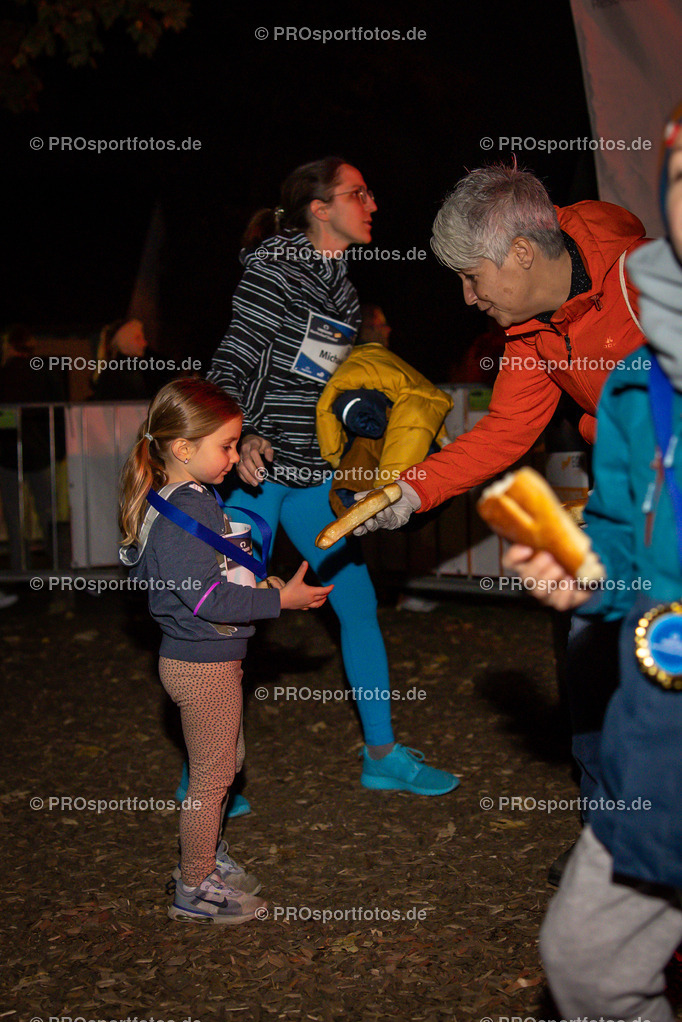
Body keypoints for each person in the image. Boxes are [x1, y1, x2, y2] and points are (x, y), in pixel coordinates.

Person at [354, 164, 648, 838]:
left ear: (521, 253)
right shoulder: (530, 328)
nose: (465, 297)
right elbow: (509, 429)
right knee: (590, 658)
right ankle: (608, 843)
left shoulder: (643, 282)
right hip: (624, 492)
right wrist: (410, 489)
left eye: (470, 275)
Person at [505, 104, 682, 1022]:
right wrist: (584, 569)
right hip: (663, 740)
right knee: (582, 961)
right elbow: (624, 537)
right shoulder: (637, 388)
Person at [208, 156, 458, 796]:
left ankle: (381, 754)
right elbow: (234, 357)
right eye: (358, 193)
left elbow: (323, 381)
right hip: (255, 478)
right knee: (225, 624)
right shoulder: (275, 266)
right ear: (320, 208)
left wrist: (361, 411)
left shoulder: (342, 288)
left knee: (358, 605)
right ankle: (207, 781)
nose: (372, 203)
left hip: (314, 476)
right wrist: (238, 436)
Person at [118, 378, 332, 924]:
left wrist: (261, 587)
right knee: (212, 780)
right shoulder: (182, 512)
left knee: (224, 765)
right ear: (184, 449)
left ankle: (205, 855)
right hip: (202, 666)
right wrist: (279, 601)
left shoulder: (183, 498)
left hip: (207, 662)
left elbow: (211, 577)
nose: (235, 456)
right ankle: (194, 885)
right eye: (227, 445)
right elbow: (209, 598)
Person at [316, 305, 453, 516]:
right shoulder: (378, 363)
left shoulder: (375, 364)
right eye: (383, 325)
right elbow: (419, 410)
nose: (388, 330)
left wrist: (334, 453)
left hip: (376, 458)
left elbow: (326, 407)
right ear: (367, 329)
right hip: (404, 459)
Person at [0, 324, 65, 573]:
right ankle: (57, 563)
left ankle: (20, 567)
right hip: (41, 453)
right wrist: (58, 449)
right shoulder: (44, 374)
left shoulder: (4, 375)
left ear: (9, 347)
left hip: (8, 455)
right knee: (47, 511)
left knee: (14, 515)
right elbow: (59, 412)